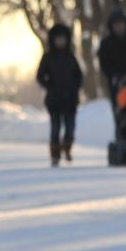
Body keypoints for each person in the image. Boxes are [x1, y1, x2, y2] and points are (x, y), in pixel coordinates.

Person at [35, 22, 84, 166]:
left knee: (70, 127)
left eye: (63, 38)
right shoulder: (48, 57)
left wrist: (75, 87)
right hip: (54, 100)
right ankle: (55, 154)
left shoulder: (71, 57)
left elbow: (79, 75)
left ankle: (67, 148)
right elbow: (40, 76)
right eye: (58, 38)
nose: (60, 41)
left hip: (70, 99)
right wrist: (49, 86)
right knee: (55, 127)